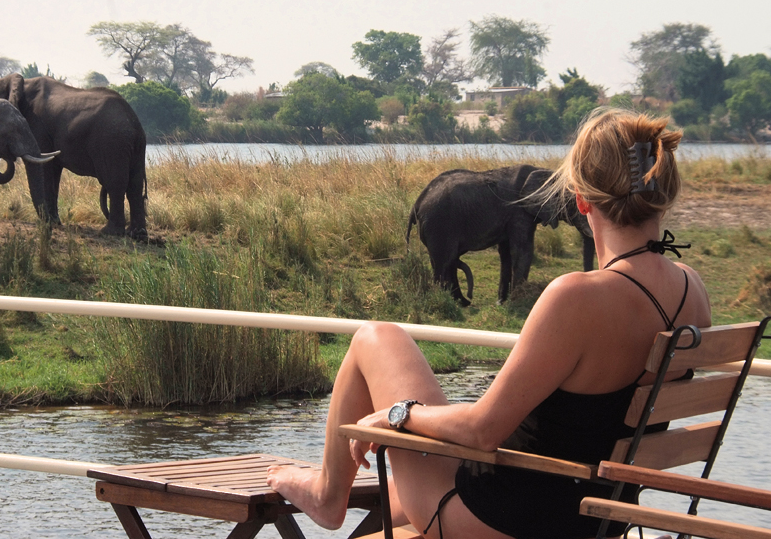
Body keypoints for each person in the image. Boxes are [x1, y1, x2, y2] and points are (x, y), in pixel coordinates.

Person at [266, 108, 712, 539]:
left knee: (375, 336)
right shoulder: (693, 293)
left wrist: (399, 415)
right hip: (599, 520)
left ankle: (327, 494)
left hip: (498, 522)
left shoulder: (577, 296)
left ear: (579, 199)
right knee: (403, 486)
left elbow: (482, 430)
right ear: (662, 197)